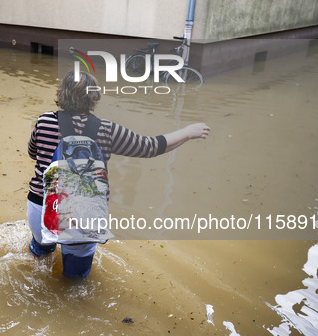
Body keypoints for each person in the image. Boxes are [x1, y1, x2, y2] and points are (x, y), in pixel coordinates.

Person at [27, 71, 210, 277]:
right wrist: (188, 132)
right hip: (83, 219)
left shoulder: (44, 122)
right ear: (94, 97)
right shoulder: (106, 130)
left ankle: (40, 252)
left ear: (61, 93)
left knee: (40, 254)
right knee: (74, 281)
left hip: (41, 208)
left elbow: (33, 152)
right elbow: (149, 147)